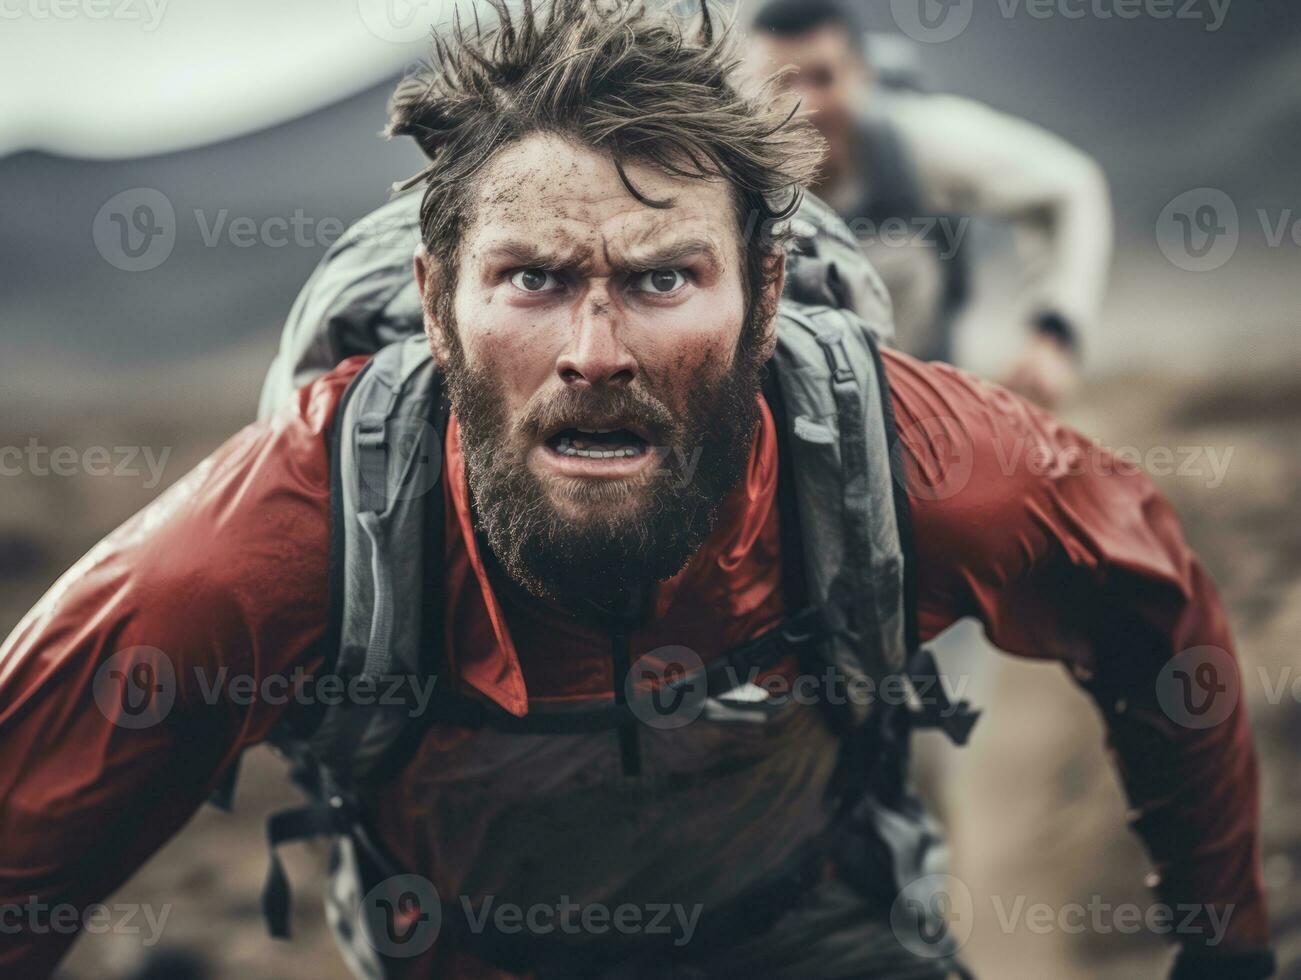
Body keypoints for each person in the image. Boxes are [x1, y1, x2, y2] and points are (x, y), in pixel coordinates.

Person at [0, 1, 1272, 977]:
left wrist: (1221, 945)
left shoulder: (922, 463)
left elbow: (1151, 603)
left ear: (764, 295)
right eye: (534, 279)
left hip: (813, 933)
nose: (594, 354)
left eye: (662, 279)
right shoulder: (276, 542)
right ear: (438, 304)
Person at [749, 0, 1114, 408]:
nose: (805, 105)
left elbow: (1072, 185)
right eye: (781, 82)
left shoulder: (917, 142)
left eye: (823, 77)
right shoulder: (728, 167)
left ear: (860, 76)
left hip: (921, 405)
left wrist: (1055, 334)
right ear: (749, 87)